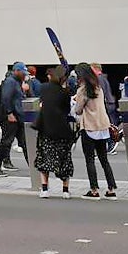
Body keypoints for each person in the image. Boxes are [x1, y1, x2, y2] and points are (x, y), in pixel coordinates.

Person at [72, 64, 118, 200]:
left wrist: (75, 102)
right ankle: (111, 189)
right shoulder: (98, 88)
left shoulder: (83, 90)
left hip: (89, 126)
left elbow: (78, 110)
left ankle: (94, 189)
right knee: (104, 159)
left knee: (90, 160)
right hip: (102, 126)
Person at [34, 65, 74, 198]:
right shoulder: (65, 92)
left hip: (46, 127)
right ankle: (65, 190)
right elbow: (67, 110)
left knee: (44, 157)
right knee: (64, 159)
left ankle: (45, 189)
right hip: (62, 129)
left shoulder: (44, 88)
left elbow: (42, 103)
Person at [0, 62, 28, 176]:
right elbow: (6, 98)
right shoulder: (10, 82)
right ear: (16, 71)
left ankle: (33, 166)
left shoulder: (16, 81)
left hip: (18, 117)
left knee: (24, 142)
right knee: (6, 142)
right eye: (23, 73)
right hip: (11, 117)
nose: (24, 75)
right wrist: (9, 113)